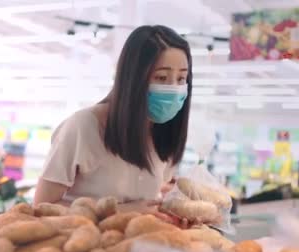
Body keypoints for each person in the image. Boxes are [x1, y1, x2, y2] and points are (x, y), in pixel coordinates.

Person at [34, 25, 192, 215]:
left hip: (134, 243)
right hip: (79, 241)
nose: (173, 88)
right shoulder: (83, 127)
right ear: (133, 78)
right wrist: (124, 211)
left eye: (181, 78)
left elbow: (147, 203)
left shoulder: (164, 135)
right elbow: (42, 207)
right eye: (161, 77)